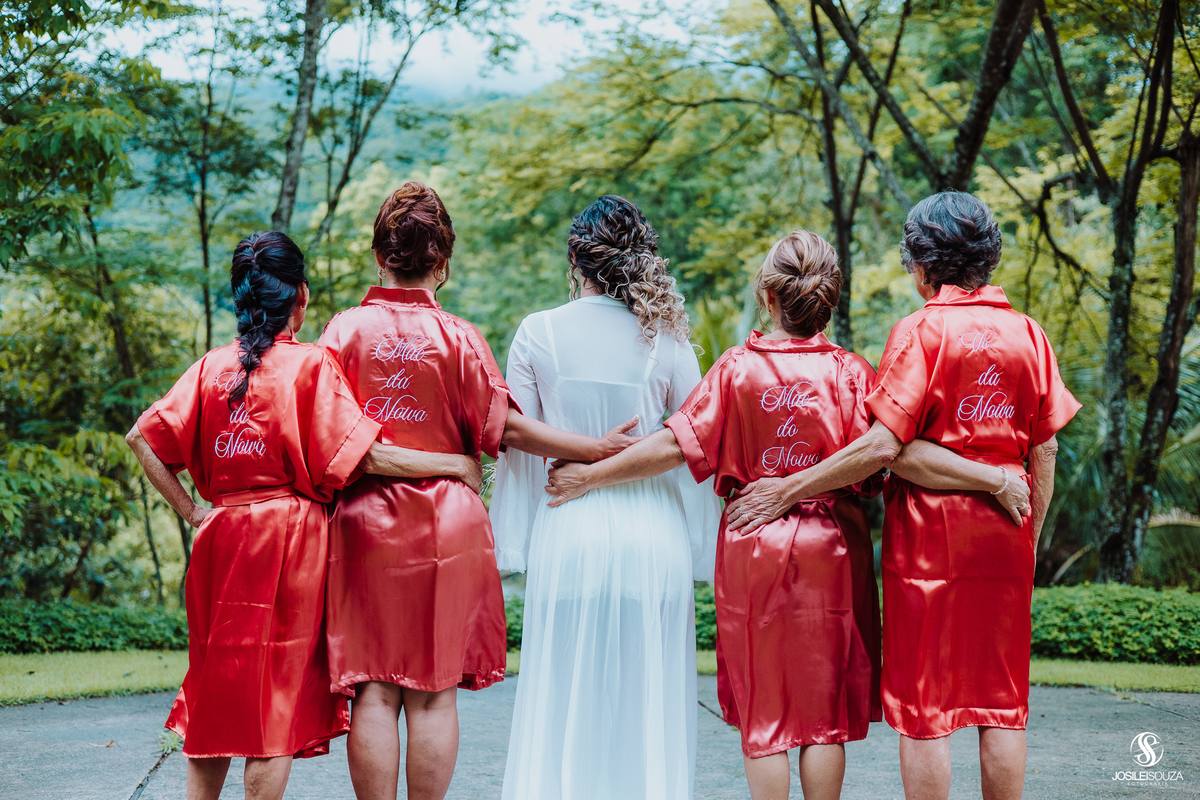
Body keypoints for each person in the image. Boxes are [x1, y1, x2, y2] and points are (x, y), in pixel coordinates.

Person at [544, 229, 1030, 800]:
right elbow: (880, 459)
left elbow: (674, 445)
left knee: (766, 719)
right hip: (834, 548)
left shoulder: (734, 370)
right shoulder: (853, 374)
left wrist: (588, 475)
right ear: (827, 300)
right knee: (823, 718)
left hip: (755, 544)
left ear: (768, 296)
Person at [724, 192, 1079, 800]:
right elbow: (1043, 448)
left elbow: (885, 446)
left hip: (930, 549)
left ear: (924, 262)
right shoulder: (1029, 334)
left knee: (926, 711)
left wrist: (786, 491)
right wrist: (1028, 535)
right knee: (1003, 704)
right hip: (1006, 534)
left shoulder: (920, 332)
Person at [125, 231, 482, 800]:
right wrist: (456, 465)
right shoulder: (308, 366)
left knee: (215, 692)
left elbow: (141, 439)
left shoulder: (210, 367)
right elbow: (365, 456)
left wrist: (194, 511)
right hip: (285, 542)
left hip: (220, 539)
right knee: (272, 708)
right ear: (302, 297)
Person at [319, 182, 639, 800]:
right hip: (446, 525)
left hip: (364, 526)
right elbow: (509, 428)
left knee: (373, 689)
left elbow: (327, 439)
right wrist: (593, 447)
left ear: (380, 255)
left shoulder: (341, 333)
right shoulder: (460, 338)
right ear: (442, 260)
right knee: (434, 693)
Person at [488, 195, 720, 800]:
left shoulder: (538, 332)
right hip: (653, 534)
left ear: (575, 257)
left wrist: (584, 462)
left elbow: (513, 431)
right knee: (647, 698)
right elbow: (694, 437)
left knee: (564, 690)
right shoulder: (665, 336)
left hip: (568, 523)